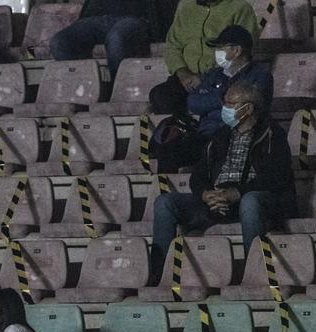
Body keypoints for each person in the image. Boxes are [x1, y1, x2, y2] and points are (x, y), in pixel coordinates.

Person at [150, 81, 295, 278]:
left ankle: (254, 273)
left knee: (250, 202)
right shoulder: (220, 135)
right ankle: (159, 274)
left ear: (248, 108)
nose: (224, 108)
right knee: (164, 202)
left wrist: (236, 193)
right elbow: (199, 175)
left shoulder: (273, 134)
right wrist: (206, 194)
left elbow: (276, 176)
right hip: (217, 201)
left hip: (253, 201)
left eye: (230, 103)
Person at [149, 0, 258, 117]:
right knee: (160, 95)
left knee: (219, 100)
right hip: (186, 78)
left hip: (221, 79)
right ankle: (178, 133)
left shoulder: (240, 8)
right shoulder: (185, 6)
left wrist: (207, 78)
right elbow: (172, 46)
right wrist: (182, 73)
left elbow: (243, 51)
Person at [48, 0, 175, 78]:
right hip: (98, 17)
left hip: (135, 17)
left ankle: (117, 89)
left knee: (116, 38)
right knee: (60, 41)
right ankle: (81, 88)